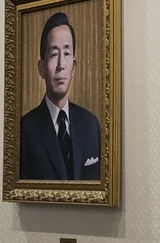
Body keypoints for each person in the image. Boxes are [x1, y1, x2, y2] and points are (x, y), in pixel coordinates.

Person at [19, 12, 101, 180]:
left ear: (74, 67)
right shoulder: (24, 130)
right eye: (54, 54)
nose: (61, 65)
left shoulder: (91, 124)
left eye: (67, 54)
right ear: (41, 68)